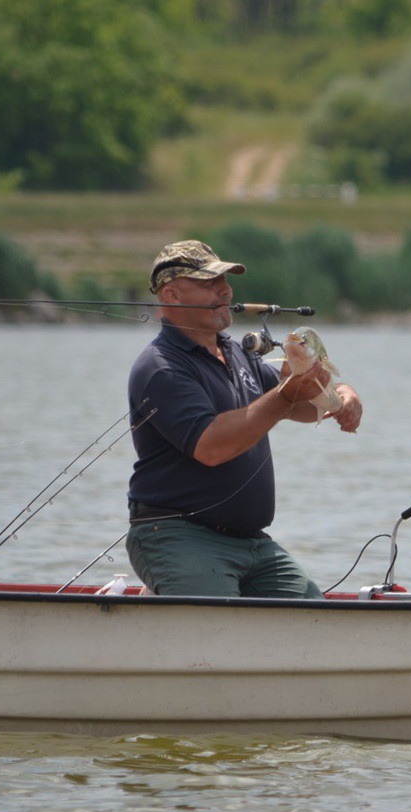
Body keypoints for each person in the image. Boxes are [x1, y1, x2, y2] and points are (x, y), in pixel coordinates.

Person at [126, 239, 363, 597]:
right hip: (177, 536)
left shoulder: (236, 353)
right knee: (220, 627)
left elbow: (296, 403)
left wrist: (341, 397)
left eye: (224, 280)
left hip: (252, 543)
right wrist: (286, 394)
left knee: (317, 618)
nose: (224, 290)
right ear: (172, 296)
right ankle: (164, 596)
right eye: (209, 283)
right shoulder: (161, 367)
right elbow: (212, 446)